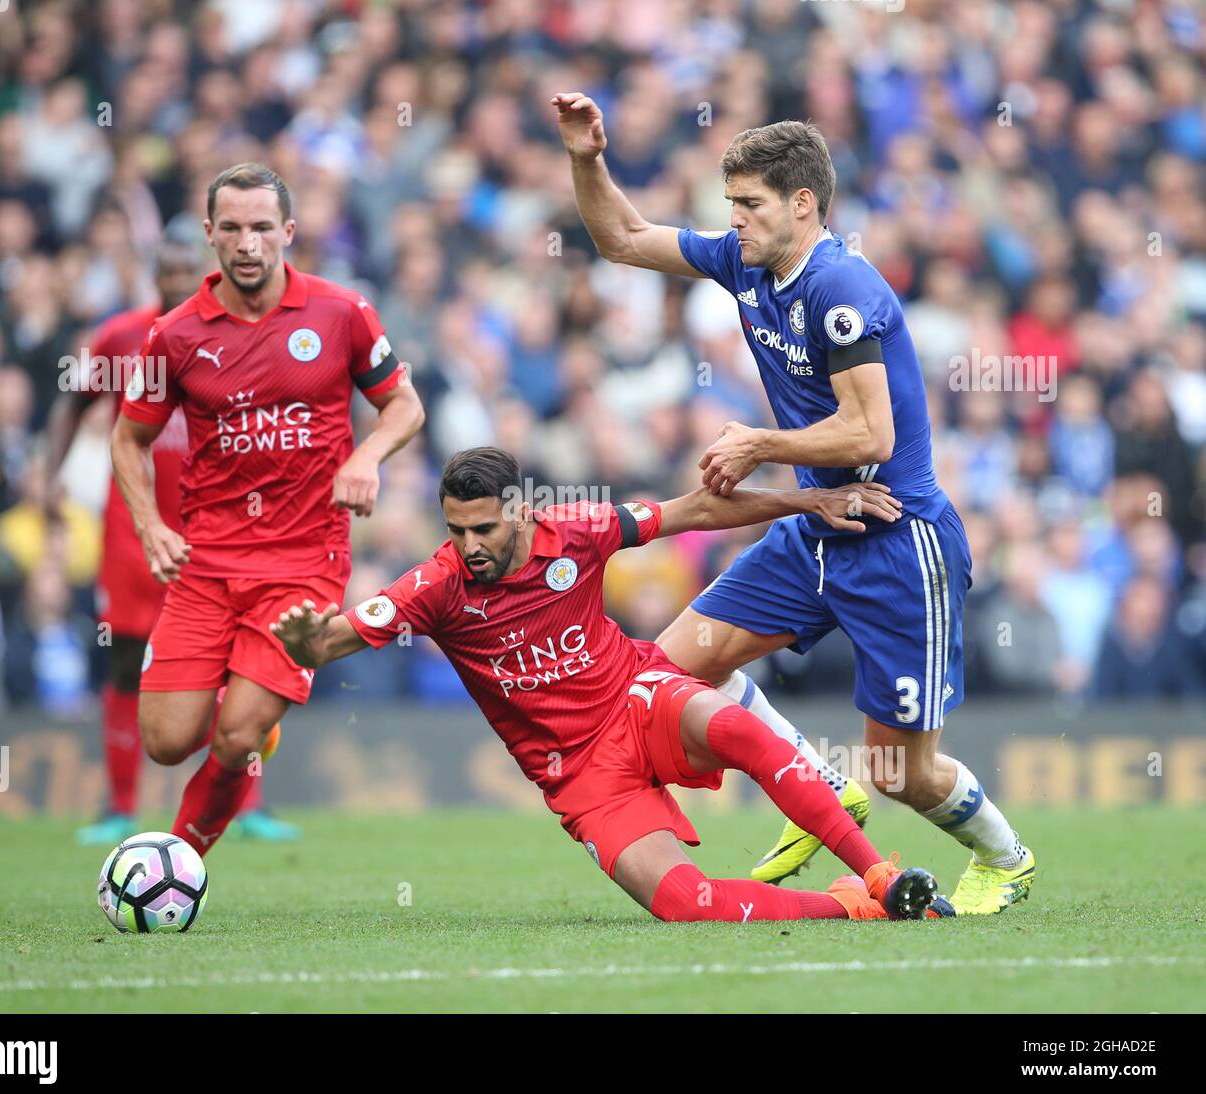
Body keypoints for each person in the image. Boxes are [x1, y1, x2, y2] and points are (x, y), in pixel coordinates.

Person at [553, 93, 1034, 915]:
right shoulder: (746, 261)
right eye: (729, 203)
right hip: (817, 526)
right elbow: (623, 239)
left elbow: (871, 431)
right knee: (665, 669)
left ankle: (1006, 857)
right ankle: (817, 787)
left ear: (803, 204)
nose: (732, 219)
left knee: (901, 774)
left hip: (896, 538)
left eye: (749, 204)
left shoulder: (841, 288)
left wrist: (757, 443)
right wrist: (588, 158)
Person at [272, 447, 949, 923]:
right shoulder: (436, 586)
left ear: (520, 512)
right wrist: (309, 642)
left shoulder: (576, 531)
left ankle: (881, 875)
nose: (470, 544)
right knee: (689, 905)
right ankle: (850, 906)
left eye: (483, 528)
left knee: (736, 726)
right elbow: (337, 637)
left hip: (636, 698)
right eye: (456, 530)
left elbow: (696, 512)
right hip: (580, 776)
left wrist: (809, 499)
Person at [111, 163, 425, 856]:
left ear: (288, 231)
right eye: (231, 228)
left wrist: (365, 457)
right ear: (209, 236)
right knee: (166, 743)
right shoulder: (176, 335)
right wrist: (149, 523)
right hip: (207, 561)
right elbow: (127, 439)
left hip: (304, 563)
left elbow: (404, 405)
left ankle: (178, 860)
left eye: (261, 227)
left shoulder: (341, 313)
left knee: (237, 735)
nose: (247, 243)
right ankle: (250, 714)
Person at [46, 234, 300, 844]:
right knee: (128, 658)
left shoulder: (235, 335)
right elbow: (73, 405)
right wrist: (47, 480)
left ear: (203, 272)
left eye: (187, 269)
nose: (176, 279)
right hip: (134, 529)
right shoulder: (119, 338)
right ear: (151, 275)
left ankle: (249, 803)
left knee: (235, 668)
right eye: (167, 270)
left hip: (211, 530)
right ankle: (121, 806)